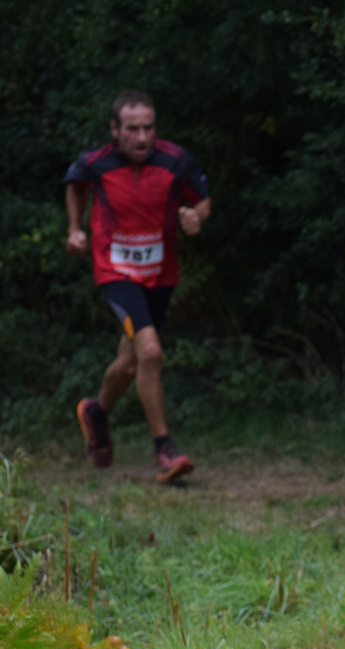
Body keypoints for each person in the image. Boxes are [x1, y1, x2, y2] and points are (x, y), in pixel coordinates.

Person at [66, 90, 209, 484]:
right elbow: (75, 185)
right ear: (115, 130)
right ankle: (165, 449)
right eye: (132, 129)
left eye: (148, 127)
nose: (142, 137)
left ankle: (95, 412)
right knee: (151, 351)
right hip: (116, 272)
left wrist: (196, 216)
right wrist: (74, 229)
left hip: (160, 274)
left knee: (131, 363)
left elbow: (203, 201)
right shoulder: (95, 163)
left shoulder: (175, 160)